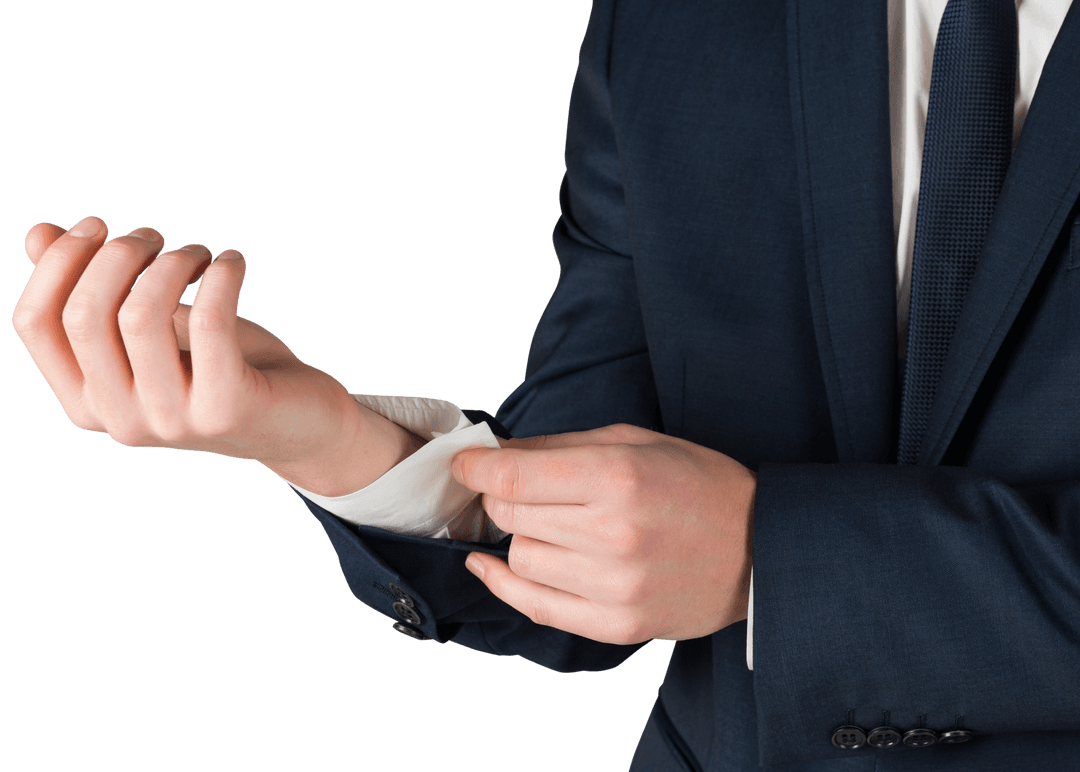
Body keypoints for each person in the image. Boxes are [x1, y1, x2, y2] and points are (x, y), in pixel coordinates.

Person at [13, 0, 1080, 769]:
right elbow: (616, 519)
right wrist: (327, 441)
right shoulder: (675, 25)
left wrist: (774, 560)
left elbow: (719, 546)